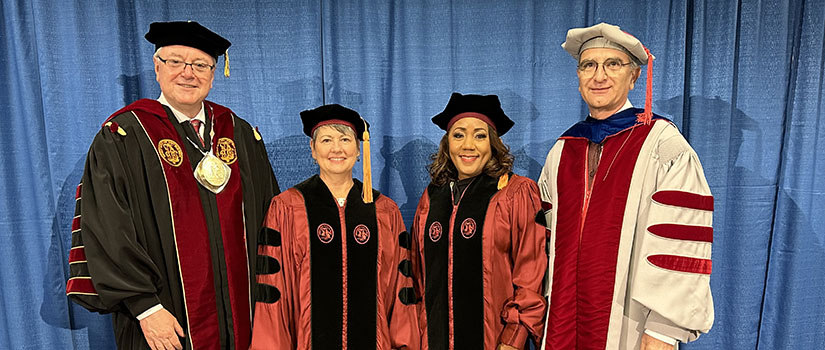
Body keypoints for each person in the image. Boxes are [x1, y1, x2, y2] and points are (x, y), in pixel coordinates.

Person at [66, 21, 280, 350]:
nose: (188, 73)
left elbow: (270, 223)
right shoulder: (124, 135)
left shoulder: (240, 134)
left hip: (244, 319)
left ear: (214, 72)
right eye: (176, 61)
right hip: (163, 321)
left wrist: (271, 304)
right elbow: (106, 227)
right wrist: (145, 308)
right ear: (157, 67)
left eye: (200, 65)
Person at [537, 23, 714, 350]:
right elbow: (542, 239)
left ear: (634, 77)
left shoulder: (663, 145)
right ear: (578, 77)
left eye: (613, 64)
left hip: (631, 325)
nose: (599, 76)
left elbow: (681, 243)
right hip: (561, 318)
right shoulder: (563, 150)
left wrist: (663, 330)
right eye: (588, 65)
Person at [250, 104, 419, 349]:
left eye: (345, 139)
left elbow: (400, 290)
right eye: (326, 139)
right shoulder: (286, 208)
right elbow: (273, 296)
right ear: (313, 149)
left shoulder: (384, 210)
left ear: (358, 149)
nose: (336, 148)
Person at [412, 93, 547, 350]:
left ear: (493, 143)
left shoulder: (515, 193)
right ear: (447, 143)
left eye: (480, 135)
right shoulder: (432, 198)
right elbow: (418, 278)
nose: (468, 145)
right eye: (459, 134)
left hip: (495, 342)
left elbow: (530, 274)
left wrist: (513, 339)